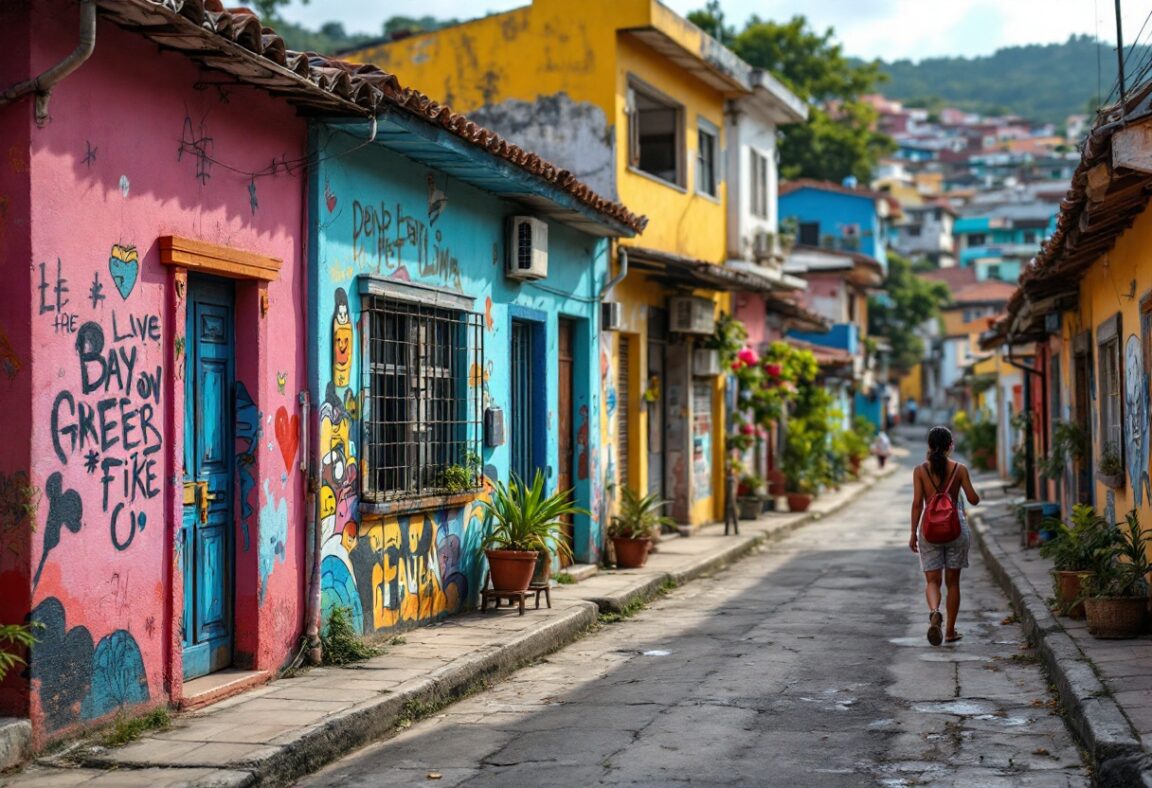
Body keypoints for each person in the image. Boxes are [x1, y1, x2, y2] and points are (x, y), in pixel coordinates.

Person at [909, 426, 980, 646]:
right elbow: (973, 499)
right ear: (951, 446)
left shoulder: (920, 471)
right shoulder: (960, 469)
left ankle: (934, 612)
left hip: (929, 529)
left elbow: (916, 504)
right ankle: (949, 631)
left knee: (932, 580)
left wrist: (913, 532)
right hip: (956, 529)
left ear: (929, 446)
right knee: (953, 583)